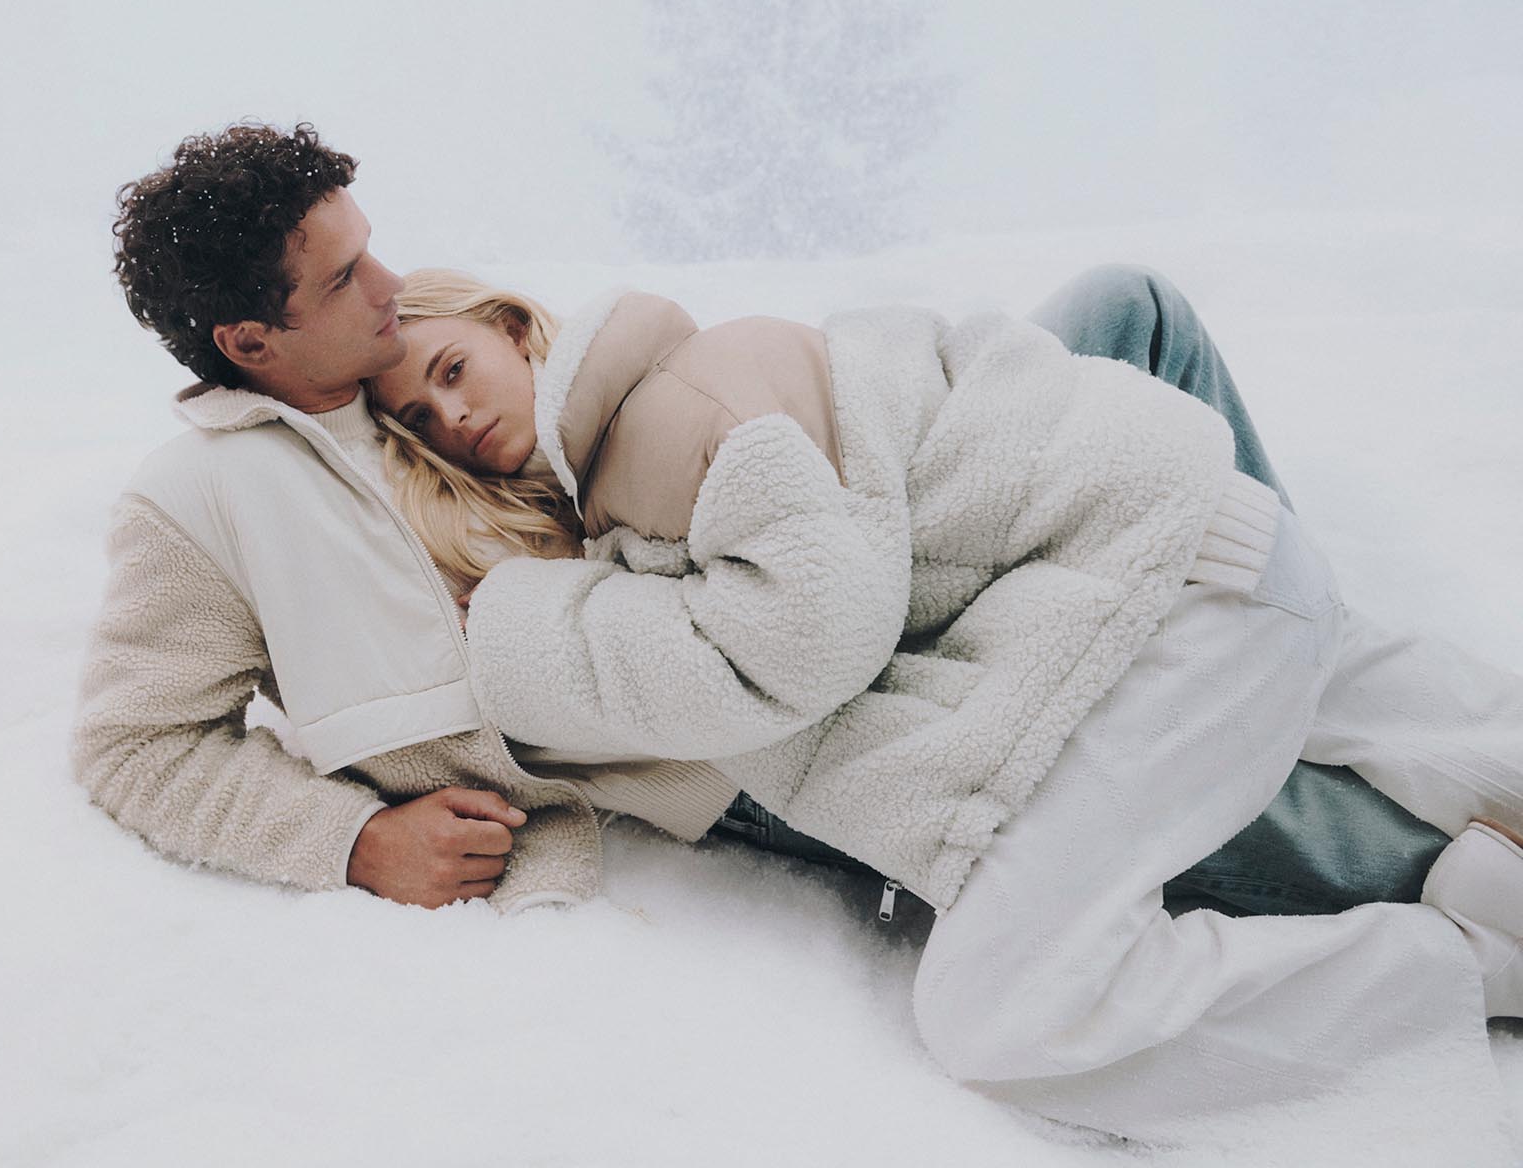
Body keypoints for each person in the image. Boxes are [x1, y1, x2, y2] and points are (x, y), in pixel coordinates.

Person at [75, 119, 1444, 929]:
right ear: (251, 339)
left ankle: (1295, 638)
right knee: (1116, 783)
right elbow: (136, 746)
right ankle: (1428, 861)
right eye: (345, 275)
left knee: (1129, 314)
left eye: (373, 248)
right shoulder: (205, 502)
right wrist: (353, 845)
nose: (386, 281)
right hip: (717, 727)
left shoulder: (395, 358)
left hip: (757, 542)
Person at [365, 268, 1523, 1141]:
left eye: (453, 371)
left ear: (515, 327)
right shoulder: (642, 426)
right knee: (1393, 694)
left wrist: (522, 624)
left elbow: (820, 628)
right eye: (419, 418)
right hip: (1193, 549)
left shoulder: (662, 423)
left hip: (1169, 598)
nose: (448, 415)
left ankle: (1467, 957)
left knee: (1001, 1012)